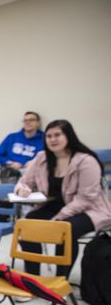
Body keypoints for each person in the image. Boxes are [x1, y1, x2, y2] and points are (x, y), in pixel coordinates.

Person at [15, 119, 111, 277]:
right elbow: (25, 181)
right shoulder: (42, 157)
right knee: (27, 224)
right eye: (49, 136)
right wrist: (22, 189)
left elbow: (86, 199)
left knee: (66, 228)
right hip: (54, 206)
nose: (52, 139)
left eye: (57, 135)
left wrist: (59, 217)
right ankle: (33, 278)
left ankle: (61, 282)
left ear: (69, 136)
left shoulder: (86, 161)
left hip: (89, 209)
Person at [0, 111, 44, 183]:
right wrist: (9, 163)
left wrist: (24, 164)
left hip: (31, 171)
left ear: (38, 123)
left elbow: (44, 157)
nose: (27, 122)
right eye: (25, 120)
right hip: (10, 171)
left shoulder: (44, 139)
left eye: (31, 120)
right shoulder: (12, 137)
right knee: (9, 174)